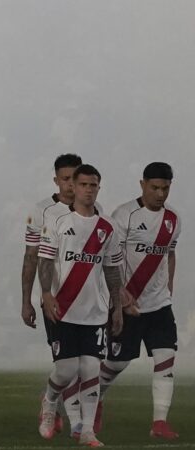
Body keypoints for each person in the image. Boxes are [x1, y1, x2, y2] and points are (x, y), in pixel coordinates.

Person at [36, 164, 124, 447]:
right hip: (63, 308)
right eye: (83, 184)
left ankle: (87, 430)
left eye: (93, 185)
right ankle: (49, 402)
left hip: (95, 311)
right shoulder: (58, 221)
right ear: (73, 186)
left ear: (99, 187)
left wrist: (118, 306)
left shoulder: (108, 227)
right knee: (65, 371)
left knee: (90, 369)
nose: (88, 190)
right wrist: (46, 294)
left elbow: (112, 269)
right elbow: (46, 261)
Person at [98, 162, 181, 439]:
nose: (160, 194)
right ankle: (94, 397)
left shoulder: (173, 219)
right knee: (116, 363)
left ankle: (159, 422)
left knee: (166, 357)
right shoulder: (124, 216)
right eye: (155, 187)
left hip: (159, 305)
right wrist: (120, 298)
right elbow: (111, 260)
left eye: (165, 188)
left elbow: (169, 254)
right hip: (126, 304)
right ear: (142, 184)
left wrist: (168, 287)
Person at [22, 153, 89, 437]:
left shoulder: (93, 211)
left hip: (88, 303)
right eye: (65, 179)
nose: (71, 186)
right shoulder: (42, 211)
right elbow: (31, 257)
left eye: (75, 179)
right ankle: (59, 409)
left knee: (81, 365)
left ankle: (68, 417)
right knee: (66, 365)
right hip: (56, 301)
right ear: (56, 180)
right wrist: (28, 300)